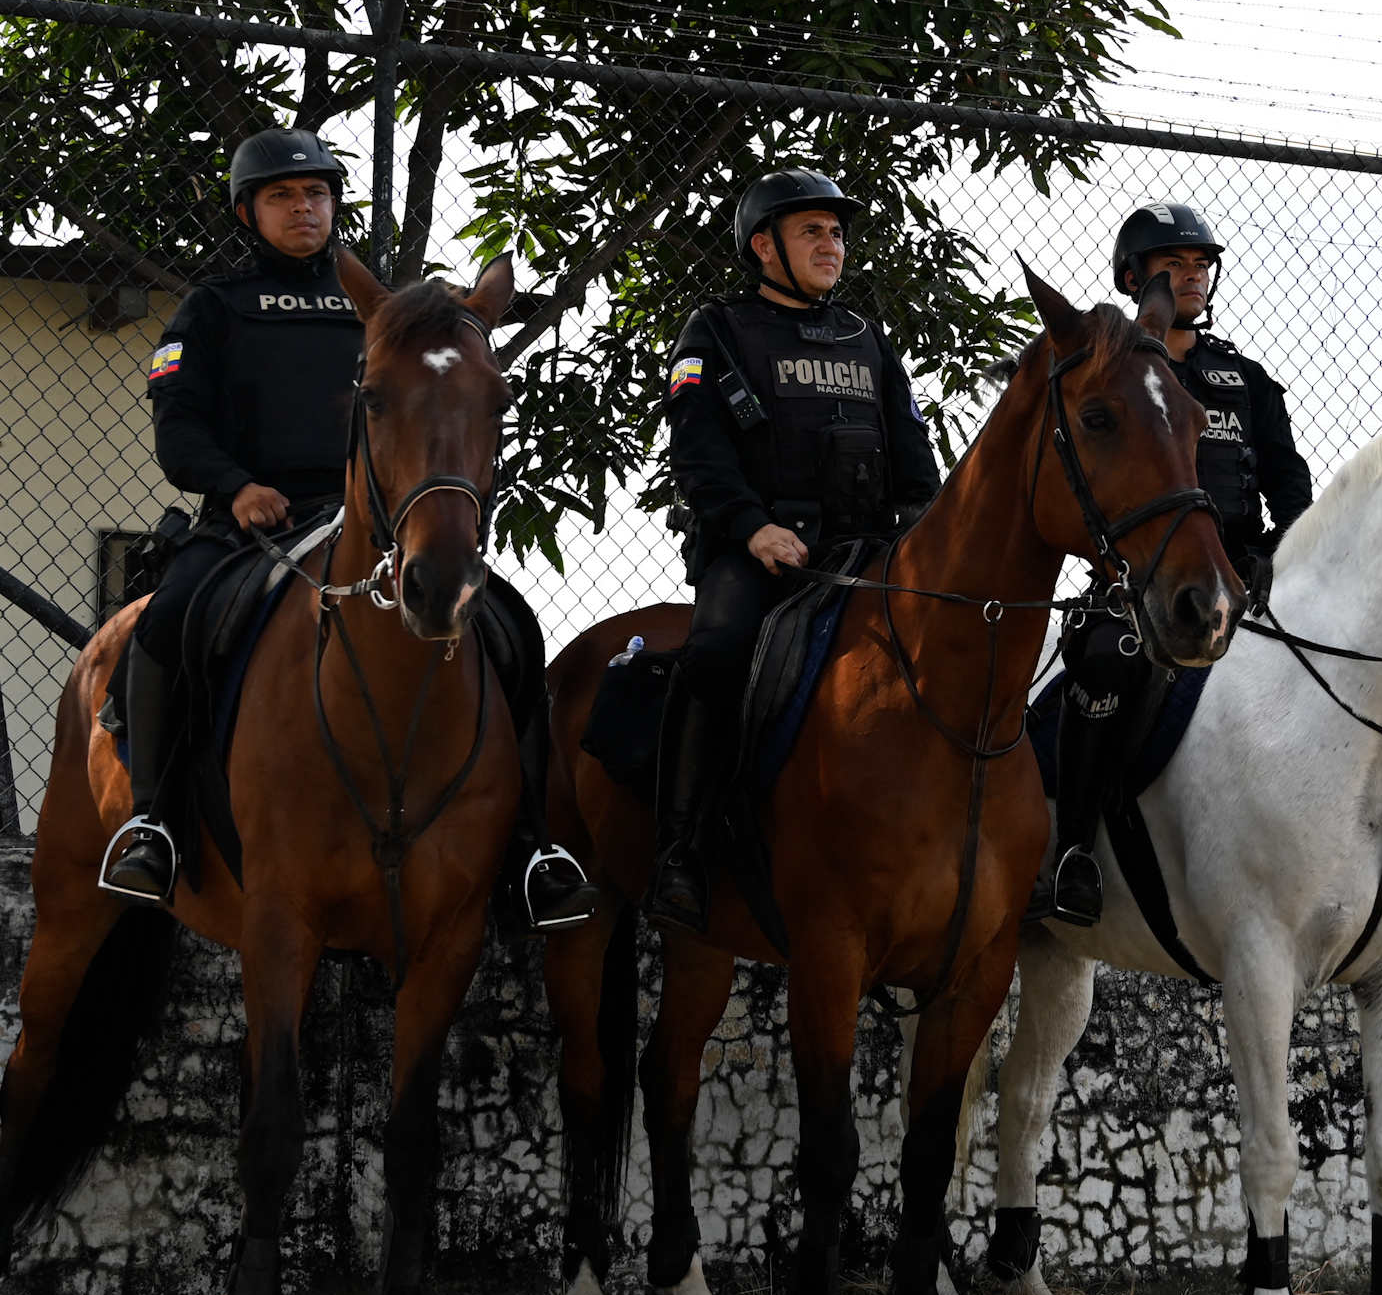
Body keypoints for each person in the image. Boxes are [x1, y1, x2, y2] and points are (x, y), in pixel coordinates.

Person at [101, 127, 598, 934]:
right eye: (282, 196)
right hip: (253, 521)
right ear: (247, 211)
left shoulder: (385, 311)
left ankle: (536, 848)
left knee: (512, 629)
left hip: (374, 521)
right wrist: (236, 487)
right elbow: (179, 430)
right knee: (166, 621)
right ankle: (152, 822)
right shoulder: (213, 307)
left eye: (318, 195)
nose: (304, 208)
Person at [648, 170, 942, 933]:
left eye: (837, 231)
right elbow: (698, 449)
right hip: (762, 550)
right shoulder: (713, 330)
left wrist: (923, 535)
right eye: (811, 229)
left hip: (868, 553)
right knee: (714, 652)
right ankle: (681, 847)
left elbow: (915, 460)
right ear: (762, 245)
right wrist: (751, 527)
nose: (830, 244)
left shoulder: (867, 338)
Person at [1046, 202, 1313, 928]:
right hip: (1139, 581)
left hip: (1242, 576)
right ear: (1136, 279)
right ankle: (1072, 851)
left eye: (1200, 264)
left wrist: (1274, 553)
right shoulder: (1121, 373)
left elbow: (1290, 483)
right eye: (1174, 265)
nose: (1191, 276)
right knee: (1105, 662)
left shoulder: (1245, 380)